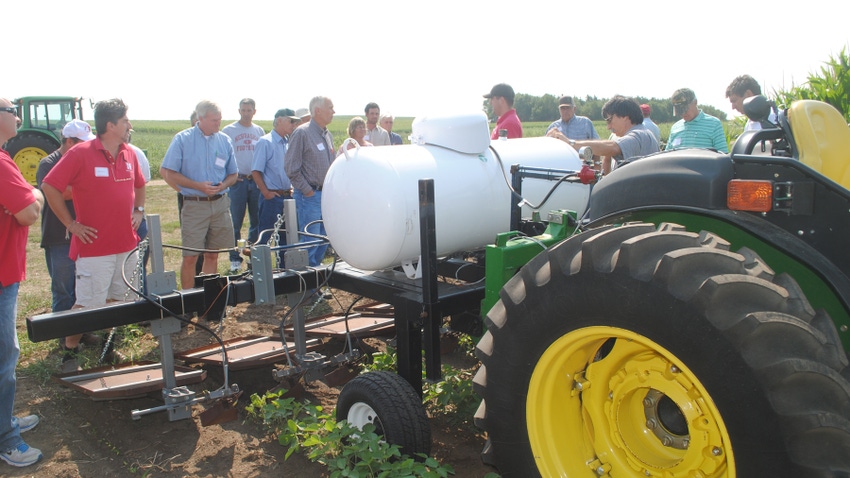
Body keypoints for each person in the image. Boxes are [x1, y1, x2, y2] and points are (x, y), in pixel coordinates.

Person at [42, 98, 146, 371]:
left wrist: (140, 210)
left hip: (125, 244)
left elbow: (140, 184)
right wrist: (71, 224)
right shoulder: (80, 153)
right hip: (93, 245)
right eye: (125, 121)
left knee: (117, 300)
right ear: (110, 125)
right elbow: (49, 186)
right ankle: (69, 351)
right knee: (88, 303)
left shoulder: (129, 153)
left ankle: (108, 348)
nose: (129, 126)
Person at [0, 97, 44, 469]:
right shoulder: (2, 163)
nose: (16, 117)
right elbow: (29, 213)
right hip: (1, 276)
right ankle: (7, 439)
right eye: (11, 111)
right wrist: (39, 194)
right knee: (4, 358)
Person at [160, 100, 238, 289]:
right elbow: (168, 172)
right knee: (191, 256)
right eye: (214, 121)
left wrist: (223, 185)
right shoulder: (182, 139)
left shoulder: (224, 140)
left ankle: (209, 299)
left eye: (219, 120)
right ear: (200, 118)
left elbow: (233, 174)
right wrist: (195, 187)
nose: (218, 124)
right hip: (195, 206)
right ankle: (189, 301)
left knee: (213, 254)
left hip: (220, 204)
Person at [36, 120, 96, 316]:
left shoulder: (82, 161)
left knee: (84, 285)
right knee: (63, 288)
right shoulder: (48, 164)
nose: (88, 147)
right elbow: (62, 193)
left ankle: (81, 331)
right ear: (69, 142)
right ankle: (63, 333)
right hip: (59, 236)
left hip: (82, 233)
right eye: (83, 142)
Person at [284, 96, 335, 267]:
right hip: (310, 197)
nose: (334, 112)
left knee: (324, 239)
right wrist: (308, 191)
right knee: (310, 240)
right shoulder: (302, 133)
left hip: (325, 196)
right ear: (318, 110)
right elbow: (291, 168)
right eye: (330, 107)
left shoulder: (327, 135)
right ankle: (305, 286)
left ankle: (316, 280)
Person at [549, 95, 659, 174]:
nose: (609, 127)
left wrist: (569, 143)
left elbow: (612, 147)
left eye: (609, 120)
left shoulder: (639, 135)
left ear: (625, 116)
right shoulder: (643, 133)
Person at [252, 108, 300, 265]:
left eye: (294, 121)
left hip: (288, 196)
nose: (293, 124)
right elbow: (256, 171)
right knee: (265, 236)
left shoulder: (288, 143)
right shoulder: (265, 142)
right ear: (279, 120)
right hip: (272, 197)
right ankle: (259, 271)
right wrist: (266, 192)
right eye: (290, 121)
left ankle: (284, 272)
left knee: (287, 237)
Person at [222, 98, 265, 273]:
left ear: (255, 111)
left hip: (254, 180)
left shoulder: (259, 131)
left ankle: (253, 255)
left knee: (256, 220)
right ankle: (234, 257)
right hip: (238, 182)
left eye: (249, 110)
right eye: (243, 110)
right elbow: (222, 155)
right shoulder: (229, 131)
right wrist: (229, 176)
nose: (246, 113)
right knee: (235, 221)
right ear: (239, 111)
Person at [666, 88, 728, 153]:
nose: (683, 113)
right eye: (680, 111)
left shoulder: (714, 124)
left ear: (695, 102)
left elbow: (723, 155)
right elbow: (667, 156)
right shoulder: (675, 128)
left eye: (685, 110)